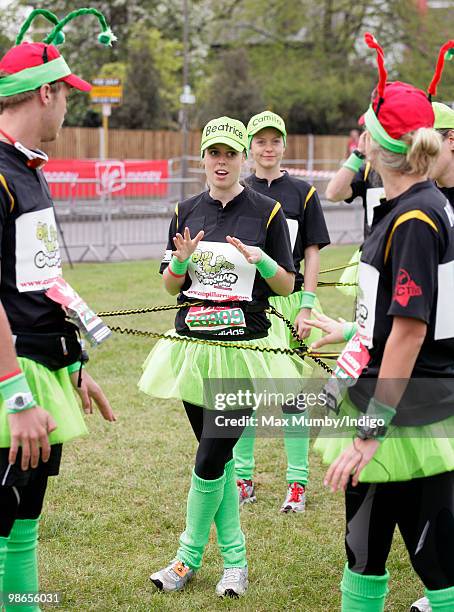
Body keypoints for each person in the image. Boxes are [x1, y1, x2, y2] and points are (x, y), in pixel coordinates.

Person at [307, 33, 454, 612]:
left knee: (422, 558)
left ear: (376, 143)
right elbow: (413, 314)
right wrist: (348, 330)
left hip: (404, 410)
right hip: (410, 400)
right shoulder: (413, 205)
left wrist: (370, 431)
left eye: (364, 129)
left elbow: (416, 332)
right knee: (372, 550)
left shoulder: (415, 216)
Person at [138, 116, 306, 598]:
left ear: (242, 158)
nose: (221, 162)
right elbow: (171, 285)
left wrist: (262, 260)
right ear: (204, 159)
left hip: (242, 351)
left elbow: (286, 284)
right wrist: (182, 261)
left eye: (230, 154)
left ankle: (186, 557)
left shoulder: (268, 212)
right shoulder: (185, 208)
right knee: (222, 456)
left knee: (211, 456)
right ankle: (235, 561)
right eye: (214, 153)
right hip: (194, 348)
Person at [0, 9, 116, 610]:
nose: (69, 107)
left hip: (40, 368)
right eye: (66, 96)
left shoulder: (29, 170)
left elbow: (35, 284)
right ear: (44, 93)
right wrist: (16, 396)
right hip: (9, 379)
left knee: (23, 517)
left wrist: (71, 363)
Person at [233, 111, 330, 512]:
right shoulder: (238, 191)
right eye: (260, 141)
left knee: (291, 395)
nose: (267, 148)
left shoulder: (302, 192)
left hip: (292, 303)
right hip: (252, 303)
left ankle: (297, 484)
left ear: (284, 145)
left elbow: (310, 255)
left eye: (275, 141)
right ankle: (242, 479)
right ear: (250, 147)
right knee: (244, 393)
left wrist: (306, 307)